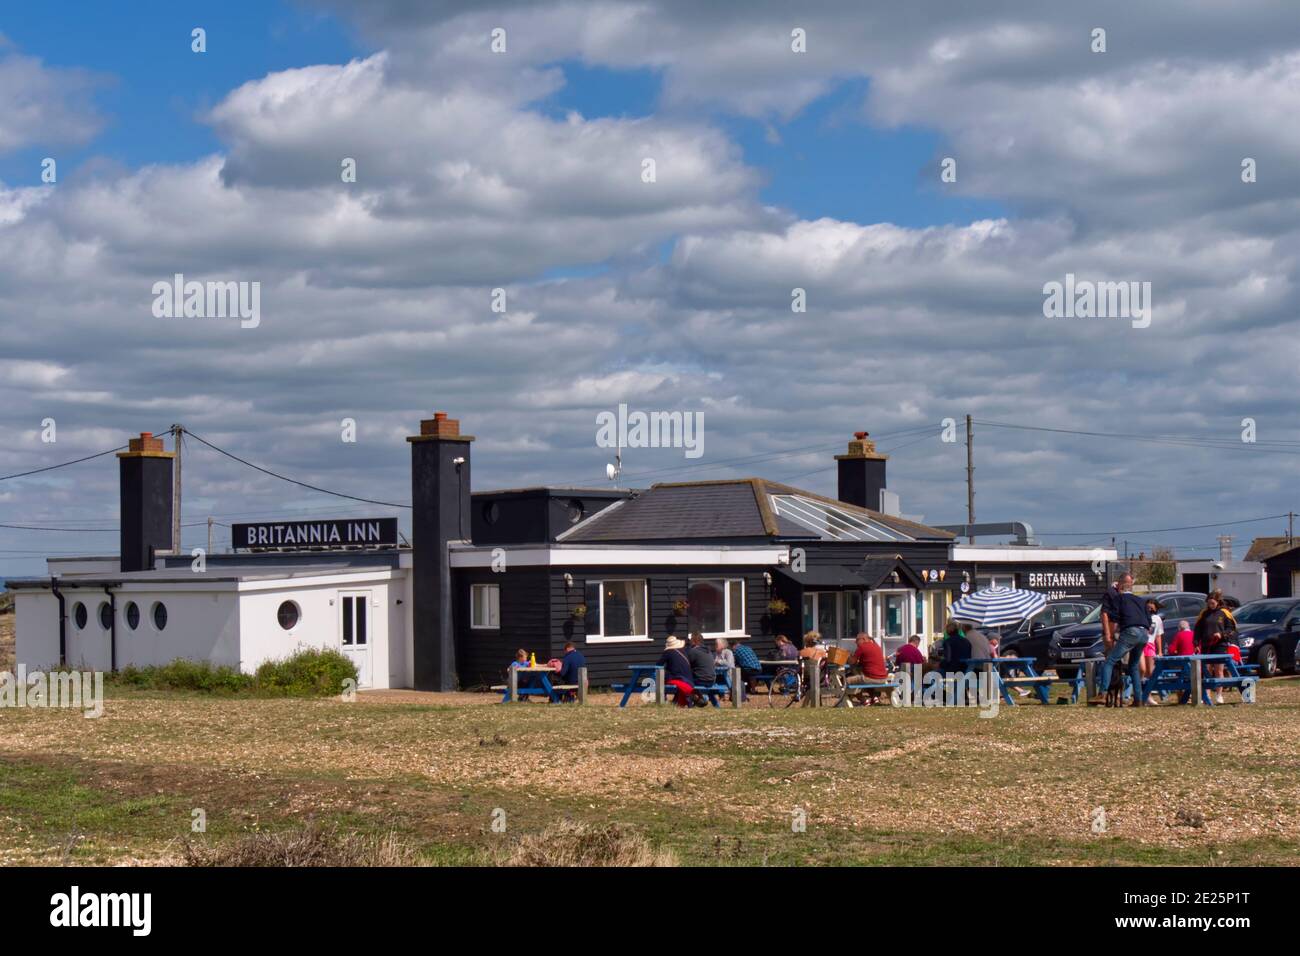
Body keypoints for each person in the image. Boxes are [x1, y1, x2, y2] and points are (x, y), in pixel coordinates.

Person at [1091, 571, 1150, 707]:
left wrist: (1110, 635)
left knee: (1110, 661)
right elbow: (1148, 619)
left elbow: (1113, 617)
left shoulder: (1119, 598)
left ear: (1120, 587)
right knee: (1133, 666)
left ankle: (1103, 693)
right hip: (1144, 634)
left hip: (1130, 632)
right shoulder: (1140, 600)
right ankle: (1138, 700)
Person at [1193, 590, 1237, 704]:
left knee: (1219, 670)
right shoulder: (1204, 613)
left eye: (1212, 603)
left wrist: (1221, 634)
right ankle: (1206, 695)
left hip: (1220, 645)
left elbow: (1231, 628)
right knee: (1206, 670)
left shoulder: (1224, 613)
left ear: (1217, 602)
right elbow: (1197, 629)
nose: (1210, 605)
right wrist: (1196, 643)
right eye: (1209, 603)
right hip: (1206, 645)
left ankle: (1219, 694)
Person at [658, 636, 695, 707]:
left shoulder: (668, 652)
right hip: (689, 679)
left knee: (661, 678)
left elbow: (659, 664)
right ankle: (675, 701)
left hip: (678, 678)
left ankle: (663, 700)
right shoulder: (683, 651)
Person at [1143, 599, 1163, 703]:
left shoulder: (1157, 619)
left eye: (1151, 607)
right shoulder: (1142, 616)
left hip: (1150, 645)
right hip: (1141, 644)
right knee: (1142, 670)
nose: (1149, 609)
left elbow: (1158, 635)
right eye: (1148, 607)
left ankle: (1148, 694)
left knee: (1150, 671)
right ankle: (1145, 695)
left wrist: (1160, 651)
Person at [687, 633, 717, 703]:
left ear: (695, 641)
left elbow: (687, 664)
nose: (690, 641)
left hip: (701, 680)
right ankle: (706, 700)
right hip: (712, 680)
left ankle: (691, 701)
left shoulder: (693, 651)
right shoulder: (708, 651)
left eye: (691, 639)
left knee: (685, 681)